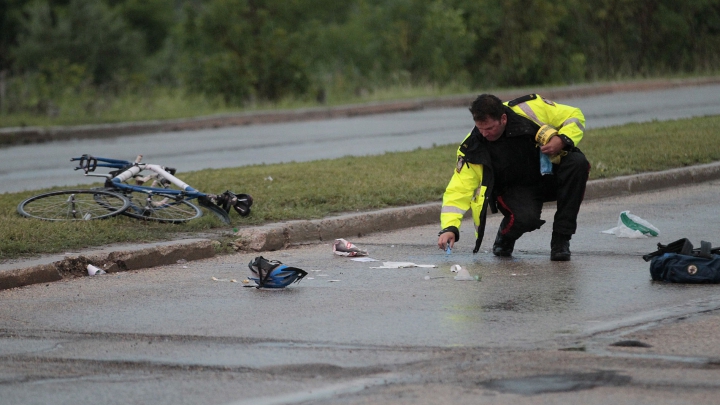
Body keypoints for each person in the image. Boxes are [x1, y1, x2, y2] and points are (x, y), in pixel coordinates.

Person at [436, 94, 590, 261]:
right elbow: (458, 190)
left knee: (578, 163)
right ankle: (505, 237)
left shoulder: (530, 109)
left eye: (489, 128)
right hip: (513, 190)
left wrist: (562, 139)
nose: (484, 134)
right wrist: (450, 227)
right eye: (480, 128)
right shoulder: (473, 147)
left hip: (547, 176)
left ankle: (561, 240)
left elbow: (574, 115)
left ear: (503, 118)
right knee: (526, 219)